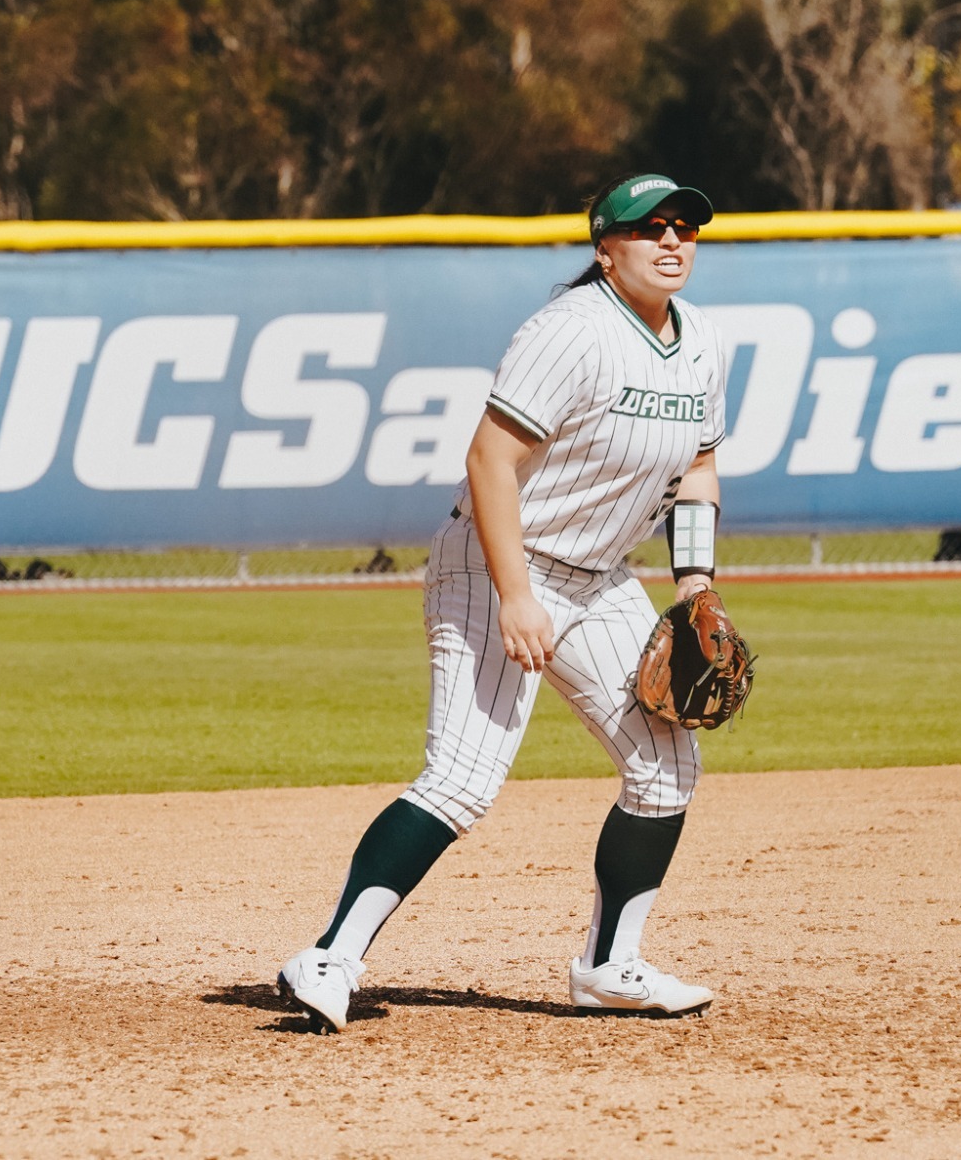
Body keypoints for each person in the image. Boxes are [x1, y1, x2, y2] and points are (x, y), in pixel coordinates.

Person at [277, 174, 727, 1032]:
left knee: (668, 768)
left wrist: (695, 588)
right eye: (651, 228)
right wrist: (516, 595)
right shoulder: (569, 333)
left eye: (686, 229)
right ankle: (329, 956)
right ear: (606, 247)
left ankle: (608, 967)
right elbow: (489, 462)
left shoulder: (699, 340)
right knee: (462, 779)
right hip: (498, 565)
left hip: (599, 578)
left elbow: (698, 469)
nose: (673, 242)